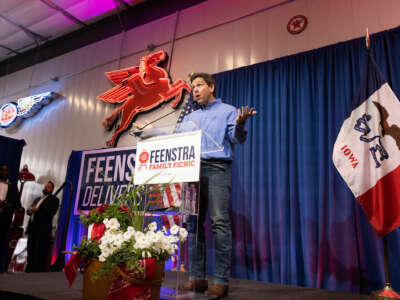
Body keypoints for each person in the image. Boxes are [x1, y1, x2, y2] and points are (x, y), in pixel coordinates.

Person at [180, 73, 256, 298]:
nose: (194, 90)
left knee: (219, 223)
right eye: (193, 86)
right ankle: (196, 278)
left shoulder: (229, 111)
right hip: (190, 171)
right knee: (192, 224)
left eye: (200, 85)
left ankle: (221, 281)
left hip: (216, 170)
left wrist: (241, 125)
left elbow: (238, 139)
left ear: (211, 87)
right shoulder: (188, 118)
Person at [26, 181, 59, 272]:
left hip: (42, 229)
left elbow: (51, 212)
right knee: (30, 248)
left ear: (52, 190)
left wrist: (38, 209)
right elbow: (28, 211)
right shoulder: (37, 199)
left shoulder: (54, 200)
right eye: (45, 186)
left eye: (48, 187)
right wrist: (30, 210)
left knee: (39, 250)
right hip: (32, 228)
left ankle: (36, 270)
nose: (46, 188)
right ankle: (29, 268)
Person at [0, 163, 21, 273]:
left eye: (6, 170)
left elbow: (18, 205)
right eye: (2, 170)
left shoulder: (13, 187)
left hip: (4, 221)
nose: (4, 172)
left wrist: (8, 205)